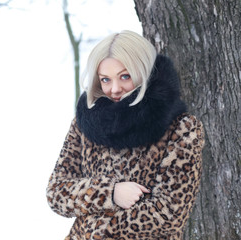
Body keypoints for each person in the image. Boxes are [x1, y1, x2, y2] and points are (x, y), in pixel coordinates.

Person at [46, 30, 204, 240]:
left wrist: (99, 230)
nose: (115, 89)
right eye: (105, 79)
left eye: (125, 76)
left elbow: (169, 214)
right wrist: (109, 193)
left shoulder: (182, 129)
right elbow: (57, 192)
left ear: (143, 70)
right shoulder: (86, 123)